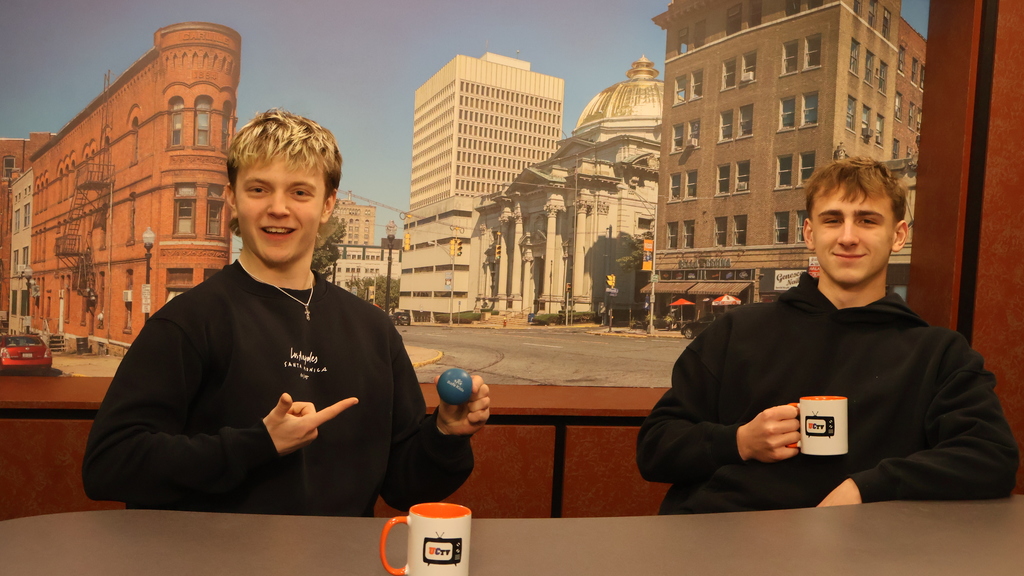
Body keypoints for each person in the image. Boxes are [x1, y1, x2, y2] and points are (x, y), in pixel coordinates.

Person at [83, 110, 490, 516]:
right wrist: (259, 443)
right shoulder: (189, 321)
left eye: (300, 192)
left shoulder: (374, 331)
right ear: (232, 199)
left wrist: (445, 434)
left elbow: (405, 487)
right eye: (259, 189)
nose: (278, 208)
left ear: (328, 204)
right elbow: (109, 464)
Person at [636, 156, 1018, 514]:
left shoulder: (939, 354)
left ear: (898, 235)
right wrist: (740, 441)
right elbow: (655, 448)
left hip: (864, 551)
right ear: (809, 233)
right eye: (833, 220)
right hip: (721, 539)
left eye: (867, 220)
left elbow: (991, 457)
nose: (848, 237)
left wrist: (866, 488)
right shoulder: (736, 331)